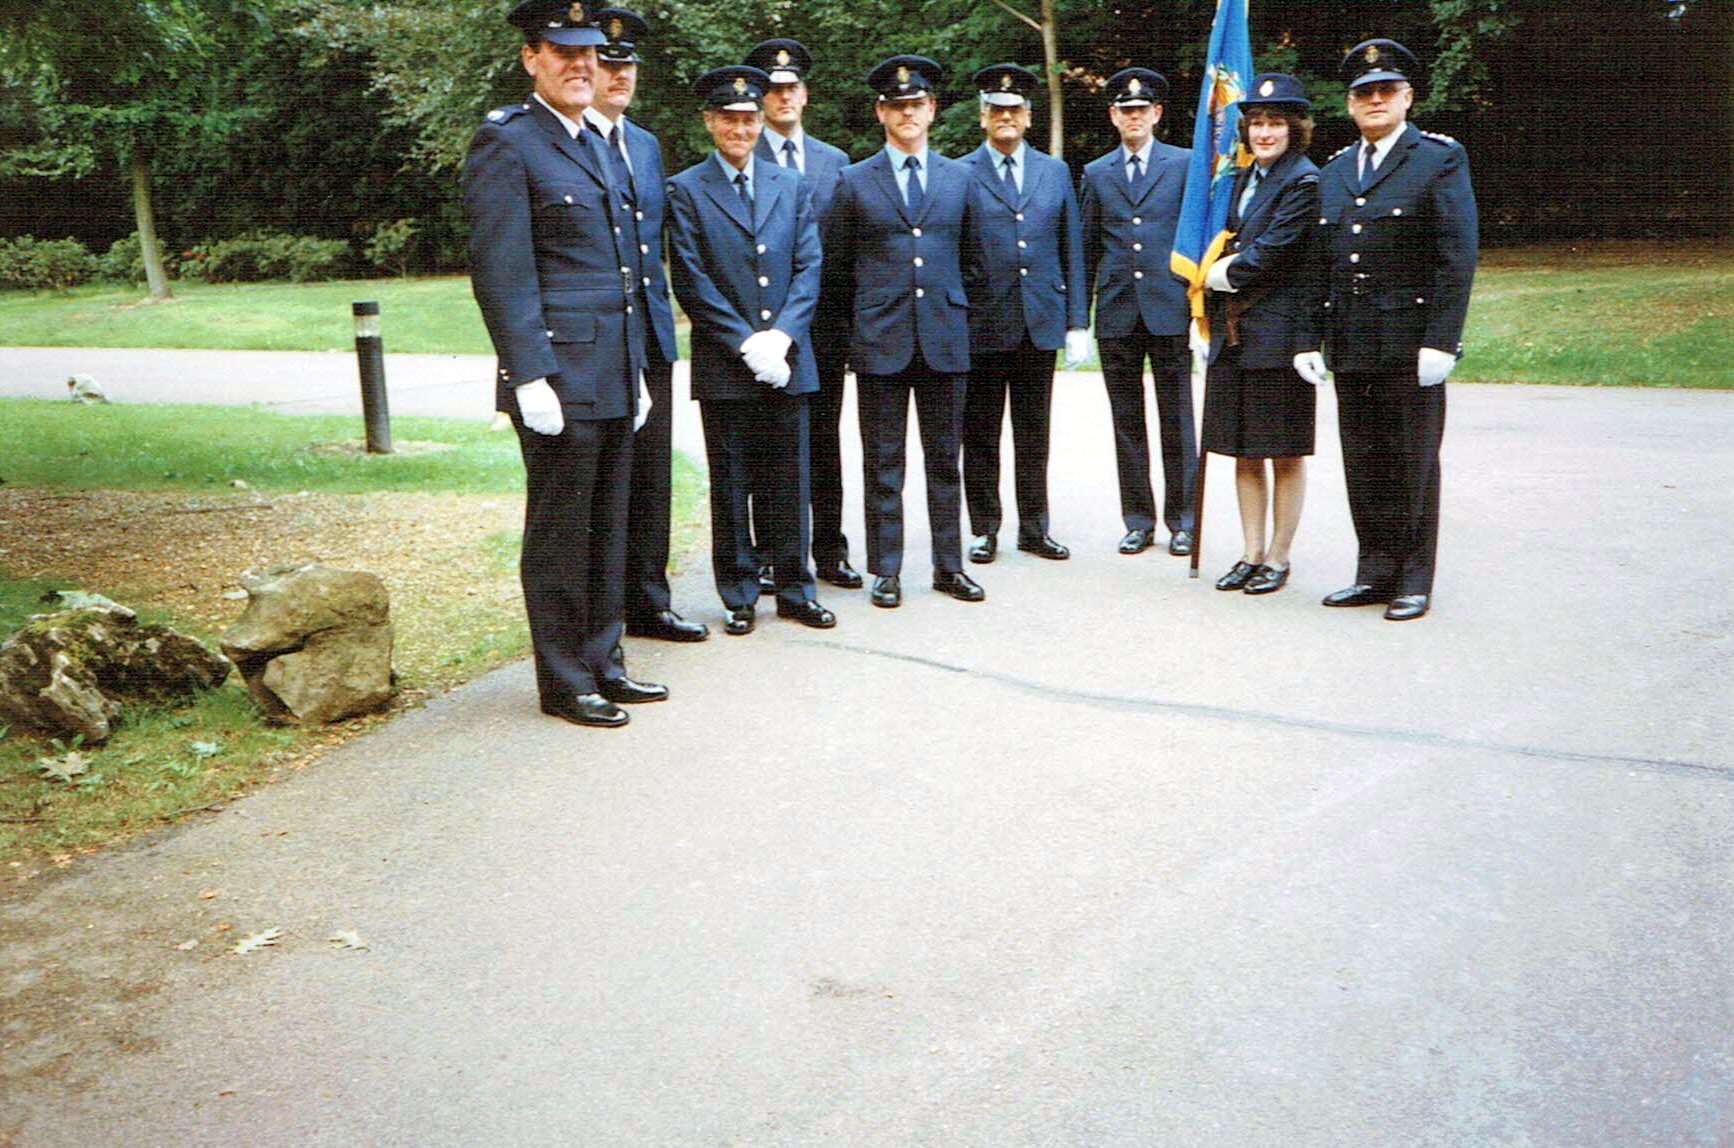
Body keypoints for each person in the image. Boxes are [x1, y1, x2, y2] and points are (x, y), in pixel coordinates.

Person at [461, 0, 666, 728]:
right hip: (557, 376)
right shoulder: (509, 144)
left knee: (610, 523)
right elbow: (502, 269)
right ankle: (563, 678)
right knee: (560, 530)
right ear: (531, 59)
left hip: (612, 369)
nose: (582, 65)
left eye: (590, 53)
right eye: (563, 51)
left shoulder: (597, 141)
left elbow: (619, 271)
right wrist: (529, 375)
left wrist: (637, 367)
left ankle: (605, 661)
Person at [1294, 39, 1478, 622]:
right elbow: (1320, 260)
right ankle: (1373, 571)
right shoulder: (1337, 169)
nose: (1374, 101)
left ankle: (1414, 579)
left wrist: (1442, 340)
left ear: (1407, 97)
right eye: (1363, 93)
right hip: (1351, 340)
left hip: (1410, 339)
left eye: (1385, 91)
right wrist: (1307, 337)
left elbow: (1457, 255)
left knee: (1414, 460)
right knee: (1365, 459)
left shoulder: (1438, 158)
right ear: (1350, 104)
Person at [664, 65, 835, 636]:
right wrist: (746, 343)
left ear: (762, 121)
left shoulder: (791, 185)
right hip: (726, 364)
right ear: (710, 121)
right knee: (733, 483)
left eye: (750, 119)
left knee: (790, 480)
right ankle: (739, 592)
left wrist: (782, 336)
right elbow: (690, 278)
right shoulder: (686, 190)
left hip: (788, 360)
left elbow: (810, 266)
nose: (741, 129)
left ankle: (795, 589)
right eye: (730, 119)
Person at [824, 55, 984, 609]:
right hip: (881, 344)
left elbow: (976, 262)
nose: (907, 114)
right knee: (883, 465)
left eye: (916, 105)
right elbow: (837, 271)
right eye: (896, 106)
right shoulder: (852, 182)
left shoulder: (961, 178)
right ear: (881, 113)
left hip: (944, 341)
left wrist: (956, 319)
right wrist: (859, 333)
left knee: (945, 462)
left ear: (932, 110)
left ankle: (949, 566)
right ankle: (886, 570)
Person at [585, 8, 709, 643]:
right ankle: (600, 608)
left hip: (652, 333)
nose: (619, 76)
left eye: (627, 65)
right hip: (601, 339)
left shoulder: (645, 144)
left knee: (651, 474)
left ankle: (649, 600)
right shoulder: (575, 140)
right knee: (606, 484)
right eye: (608, 65)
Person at [742, 38, 862, 593]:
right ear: (760, 99)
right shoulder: (745, 155)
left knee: (824, 439)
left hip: (826, 327)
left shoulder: (836, 162)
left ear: (806, 95)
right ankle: (769, 552)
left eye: (792, 88)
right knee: (768, 442)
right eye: (773, 89)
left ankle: (830, 548)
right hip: (766, 328)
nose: (783, 97)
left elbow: (846, 249)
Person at [959, 63, 1090, 566]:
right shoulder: (961, 172)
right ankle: (985, 528)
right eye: (997, 110)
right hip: (984, 322)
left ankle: (1035, 528)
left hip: (1040, 319)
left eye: (1014, 110)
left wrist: (1078, 321)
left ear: (1029, 118)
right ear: (983, 118)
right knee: (982, 432)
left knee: (1034, 433)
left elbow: (1070, 248)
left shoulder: (1054, 171)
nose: (1006, 117)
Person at [1200, 74, 1320, 596]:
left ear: (1294, 129)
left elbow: (1273, 250)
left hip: (1280, 334)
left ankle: (1279, 556)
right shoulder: (1240, 179)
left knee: (1284, 451)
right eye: (1256, 124)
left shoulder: (1304, 181)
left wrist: (1217, 273)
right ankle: (1250, 552)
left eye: (1275, 123)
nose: (1264, 133)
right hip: (1235, 335)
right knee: (1243, 450)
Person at [1080, 67, 1198, 558]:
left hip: (1170, 308)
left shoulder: (1186, 165)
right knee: (1126, 420)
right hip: (1117, 311)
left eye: (1141, 110)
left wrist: (1202, 309)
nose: (1134, 117)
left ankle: (1185, 518)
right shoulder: (1096, 172)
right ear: (1113, 116)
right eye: (1124, 110)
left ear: (1157, 114)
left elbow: (1198, 240)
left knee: (1177, 417)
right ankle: (1138, 519)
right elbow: (1086, 248)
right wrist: (1077, 319)